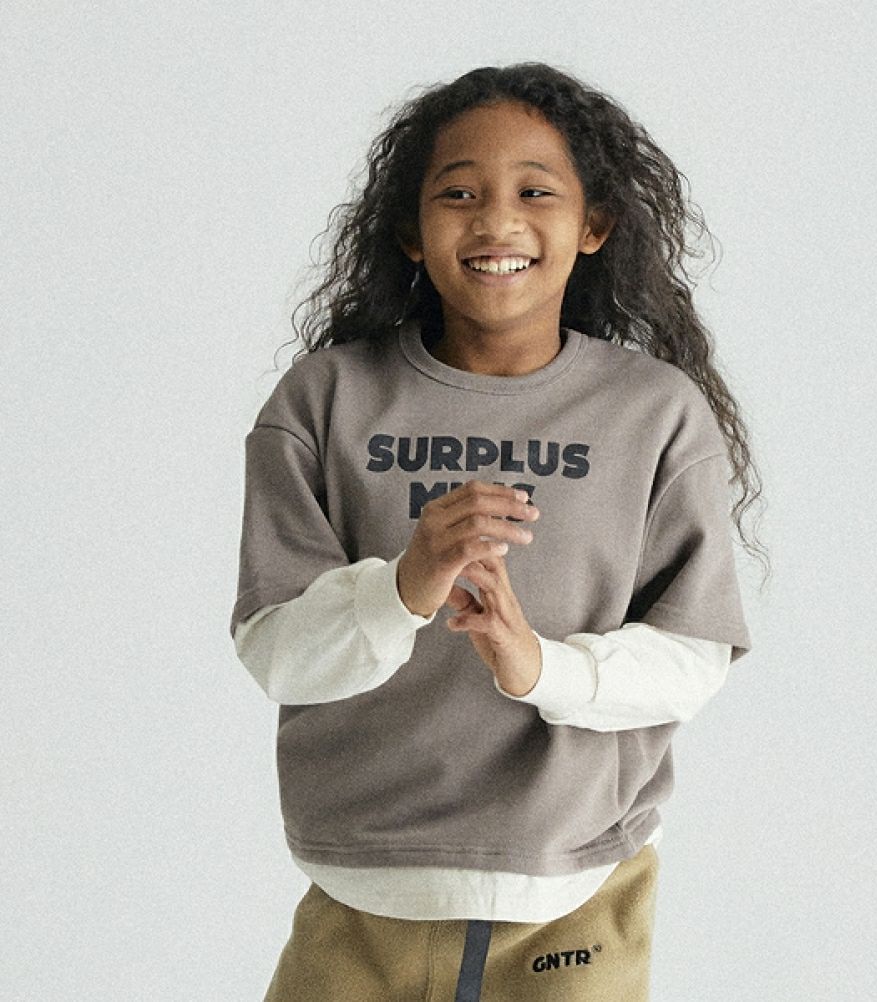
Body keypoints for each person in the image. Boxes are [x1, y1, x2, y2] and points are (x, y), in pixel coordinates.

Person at [230, 61, 767, 1002]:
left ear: (594, 224)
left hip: (578, 892)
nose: (496, 222)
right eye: (458, 194)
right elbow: (276, 651)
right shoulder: (325, 400)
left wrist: (538, 666)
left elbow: (693, 656)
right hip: (360, 889)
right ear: (410, 228)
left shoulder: (655, 414)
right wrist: (405, 585)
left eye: (535, 192)